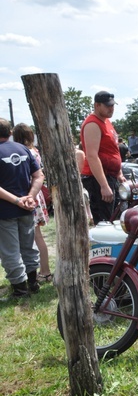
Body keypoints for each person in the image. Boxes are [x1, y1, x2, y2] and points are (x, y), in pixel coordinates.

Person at [0, 118, 45, 298]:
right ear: (10, 132)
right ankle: (33, 283)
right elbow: (39, 175)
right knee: (28, 246)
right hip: (27, 208)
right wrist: (30, 197)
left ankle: (20, 289)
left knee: (10, 250)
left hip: (5, 211)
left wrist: (18, 200)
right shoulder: (23, 149)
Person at [12, 123, 52, 283]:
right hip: (37, 194)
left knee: (35, 235)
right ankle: (42, 270)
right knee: (36, 235)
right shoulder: (34, 151)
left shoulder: (22, 152)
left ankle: (44, 271)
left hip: (28, 195)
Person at [80, 91, 125, 224]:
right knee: (105, 223)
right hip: (98, 180)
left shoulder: (106, 122)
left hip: (110, 177)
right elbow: (92, 156)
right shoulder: (93, 124)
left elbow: (112, 150)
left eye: (112, 105)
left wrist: (119, 173)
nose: (111, 108)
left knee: (115, 219)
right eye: (107, 106)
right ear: (97, 105)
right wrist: (104, 185)